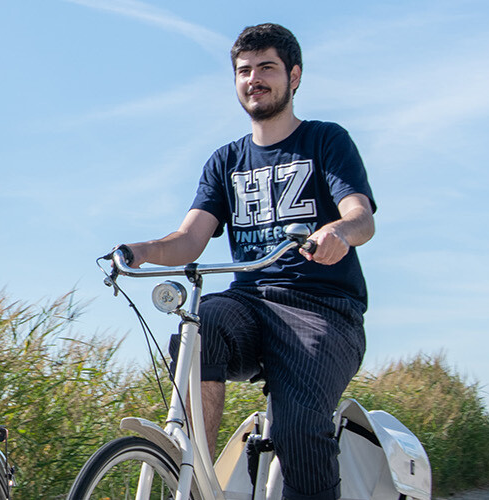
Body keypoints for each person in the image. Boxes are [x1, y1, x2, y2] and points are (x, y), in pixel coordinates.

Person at [112, 23, 376, 500]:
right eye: (244, 71)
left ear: (294, 77)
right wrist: (140, 252)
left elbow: (360, 215)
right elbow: (189, 239)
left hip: (322, 310)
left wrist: (337, 231)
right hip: (250, 303)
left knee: (297, 428)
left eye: (267, 68)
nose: (254, 79)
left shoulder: (326, 141)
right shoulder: (225, 160)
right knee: (202, 322)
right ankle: (194, 481)